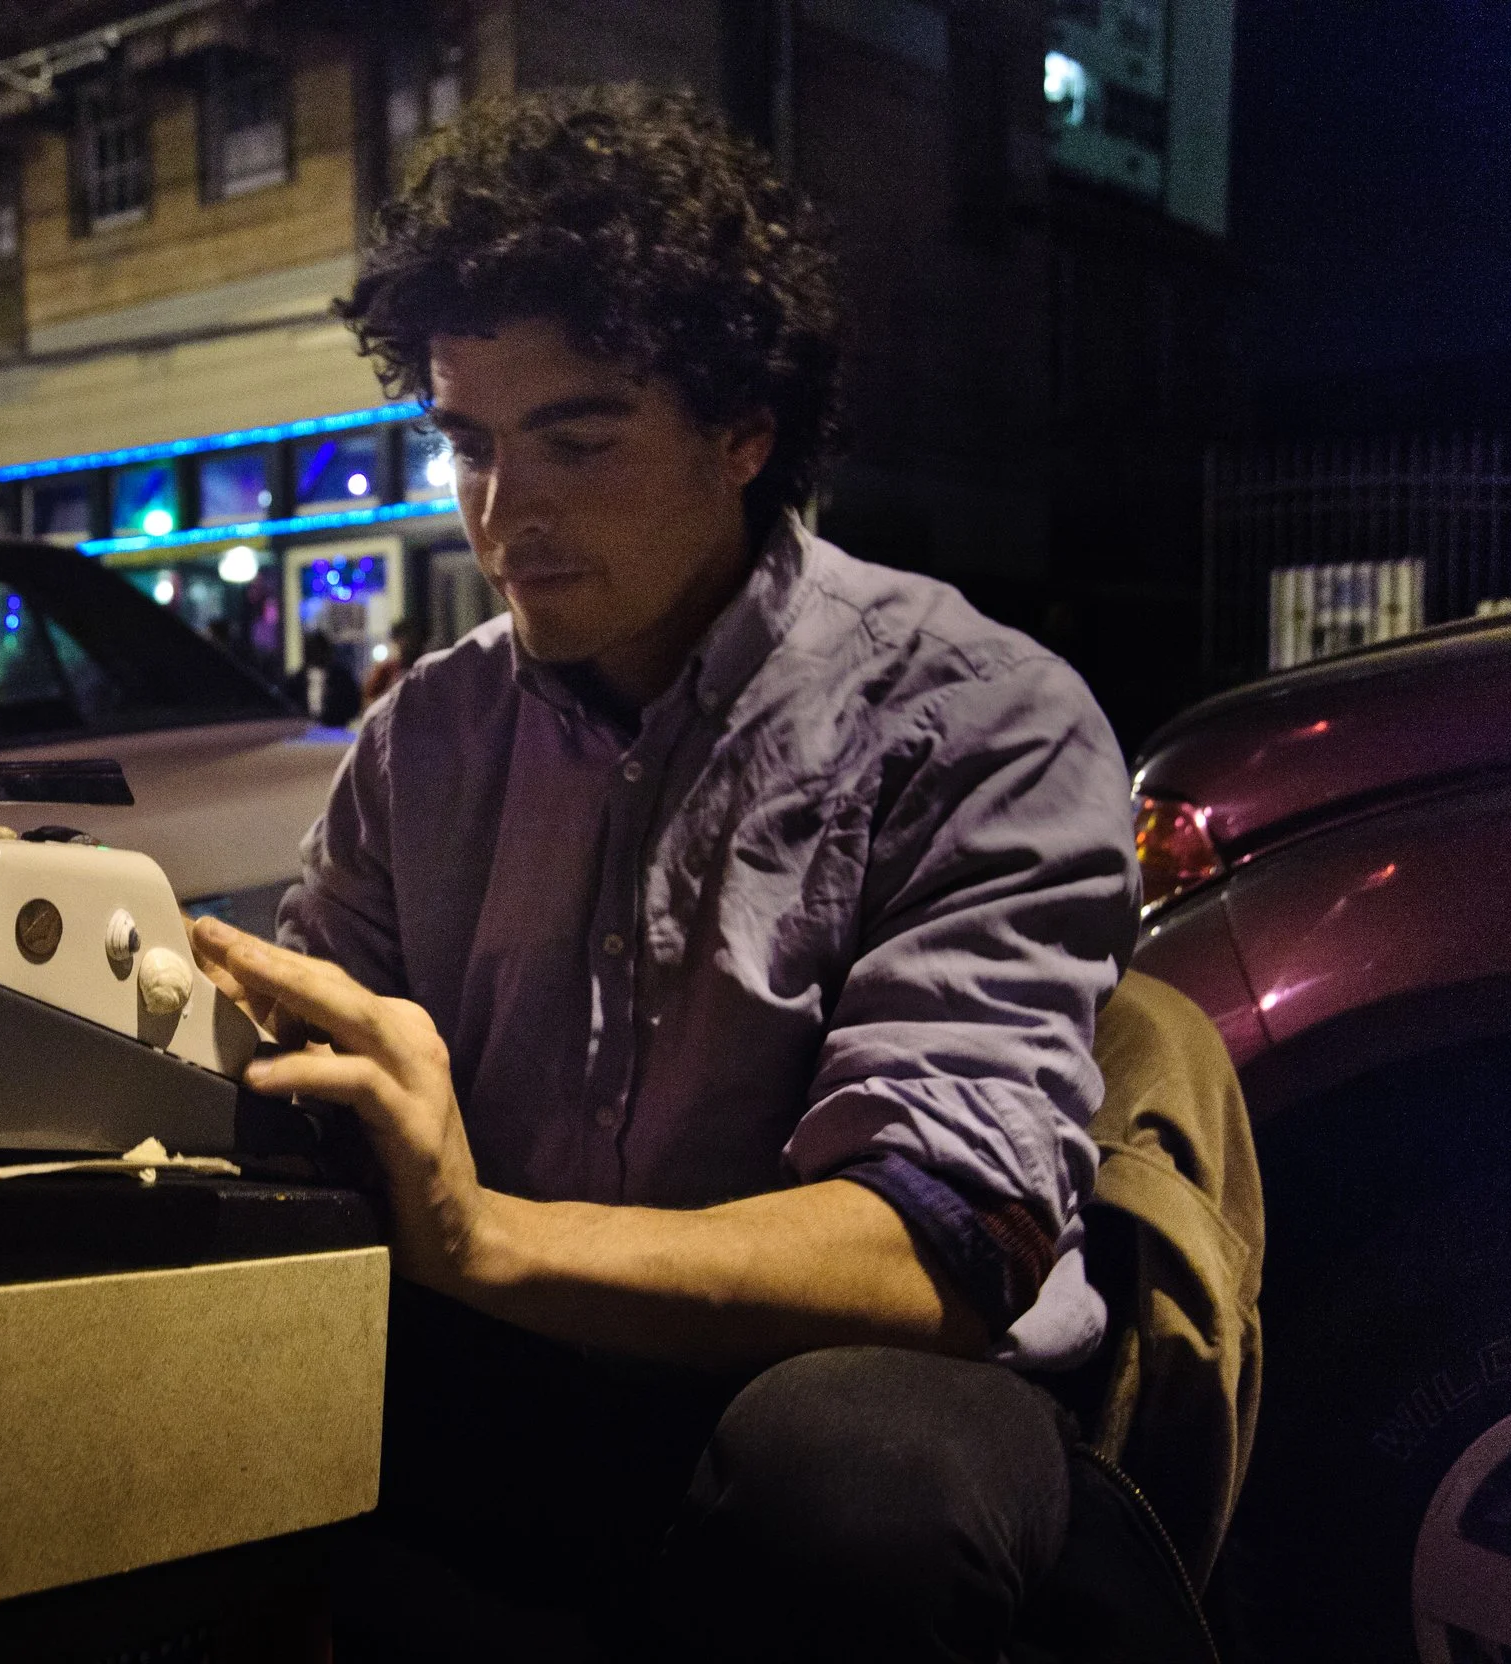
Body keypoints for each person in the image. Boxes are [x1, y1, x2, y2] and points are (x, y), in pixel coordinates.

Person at [188, 86, 1140, 1659]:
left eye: (579, 438)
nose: (508, 513)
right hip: (514, 1358)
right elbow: (311, 1107)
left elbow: (948, 1242)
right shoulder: (427, 737)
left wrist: (483, 1232)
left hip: (854, 1391)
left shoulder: (977, 714)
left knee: (852, 1484)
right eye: (469, 444)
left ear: (741, 433)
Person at [284, 628, 363, 727]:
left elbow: (353, 705)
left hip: (336, 731)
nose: (317, 653)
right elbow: (288, 706)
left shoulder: (342, 678)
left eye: (320, 649)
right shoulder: (295, 680)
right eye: (313, 649)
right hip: (302, 733)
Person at [358, 619, 427, 705]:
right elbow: (368, 700)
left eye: (413, 638)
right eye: (402, 638)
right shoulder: (387, 669)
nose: (408, 643)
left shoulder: (430, 669)